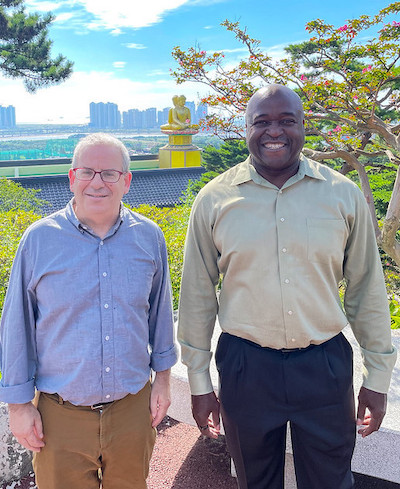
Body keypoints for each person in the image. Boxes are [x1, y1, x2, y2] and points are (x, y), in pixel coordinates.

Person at [178, 85, 397, 489]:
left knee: (331, 481)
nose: (273, 131)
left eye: (286, 121)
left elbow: (366, 289)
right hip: (246, 367)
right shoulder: (214, 200)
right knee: (254, 482)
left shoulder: (342, 195)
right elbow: (196, 295)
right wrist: (199, 383)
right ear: (246, 129)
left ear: (302, 128)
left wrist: (377, 377)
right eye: (261, 122)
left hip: (324, 366)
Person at [0, 133, 177, 489]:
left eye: (109, 173)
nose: (97, 183)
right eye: (87, 172)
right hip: (60, 414)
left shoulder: (150, 237)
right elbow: (16, 326)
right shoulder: (39, 240)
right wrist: (18, 406)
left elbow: (159, 314)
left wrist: (164, 380)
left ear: (126, 181)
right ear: (72, 178)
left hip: (131, 409)